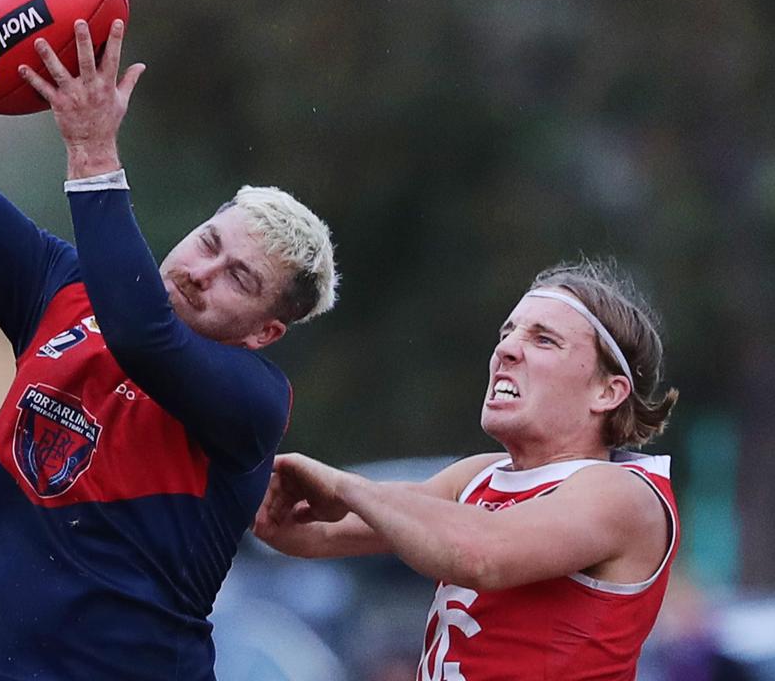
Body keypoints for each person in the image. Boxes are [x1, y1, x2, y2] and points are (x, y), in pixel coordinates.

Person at [0, 0, 338, 678]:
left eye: (238, 279)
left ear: (262, 332)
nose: (199, 270)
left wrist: (93, 151)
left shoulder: (252, 402)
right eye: (209, 242)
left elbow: (141, 336)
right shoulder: (62, 289)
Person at [254, 259, 681, 680]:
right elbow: (315, 531)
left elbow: (480, 554)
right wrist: (252, 488)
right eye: (508, 333)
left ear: (608, 392)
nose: (506, 349)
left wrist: (345, 487)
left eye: (544, 340)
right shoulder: (478, 475)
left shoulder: (624, 494)